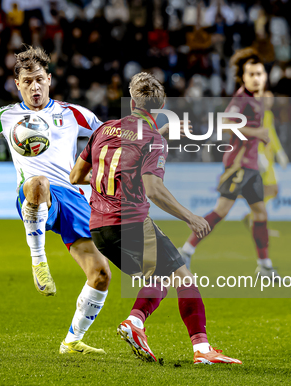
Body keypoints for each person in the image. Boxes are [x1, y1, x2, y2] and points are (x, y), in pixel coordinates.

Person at [0, 45, 111, 355]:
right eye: (28, 81)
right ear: (17, 84)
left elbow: (108, 135)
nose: (35, 86)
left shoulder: (73, 113)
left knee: (100, 275)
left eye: (40, 79)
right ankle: (38, 259)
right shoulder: (6, 116)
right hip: (33, 193)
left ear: (49, 80)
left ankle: (71, 342)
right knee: (38, 183)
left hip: (72, 197)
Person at [70, 72, 242, 365]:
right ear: (161, 105)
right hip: (131, 223)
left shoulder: (105, 130)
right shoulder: (152, 139)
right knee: (183, 277)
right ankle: (200, 349)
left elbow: (76, 176)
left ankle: (137, 323)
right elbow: (154, 189)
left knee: (160, 276)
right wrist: (190, 217)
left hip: (99, 227)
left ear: (132, 100)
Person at [178, 47, 280, 281]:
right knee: (221, 211)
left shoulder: (255, 100)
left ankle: (264, 265)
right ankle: (185, 251)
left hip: (252, 167)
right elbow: (224, 123)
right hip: (238, 166)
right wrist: (257, 131)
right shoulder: (241, 99)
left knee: (260, 212)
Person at [242, 90, 289, 235]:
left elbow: (271, 135)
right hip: (261, 157)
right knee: (271, 188)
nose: (270, 101)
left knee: (267, 190)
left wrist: (279, 152)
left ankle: (254, 219)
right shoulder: (259, 114)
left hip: (267, 158)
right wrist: (259, 154)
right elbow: (255, 135)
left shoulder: (267, 114)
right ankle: (256, 221)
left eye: (271, 99)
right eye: (267, 99)